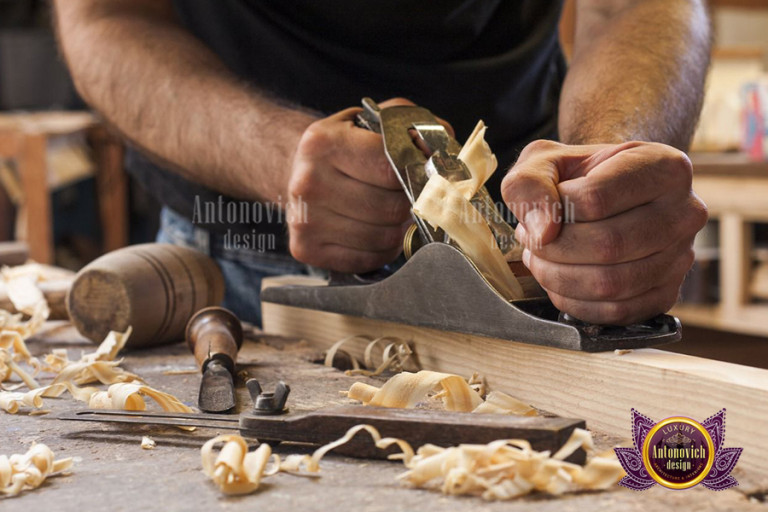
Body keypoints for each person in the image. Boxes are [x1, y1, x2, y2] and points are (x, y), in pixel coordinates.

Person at [53, 0, 710, 326]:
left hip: (541, 258)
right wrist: (280, 157)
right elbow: (105, 17)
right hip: (237, 271)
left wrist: (602, 169)